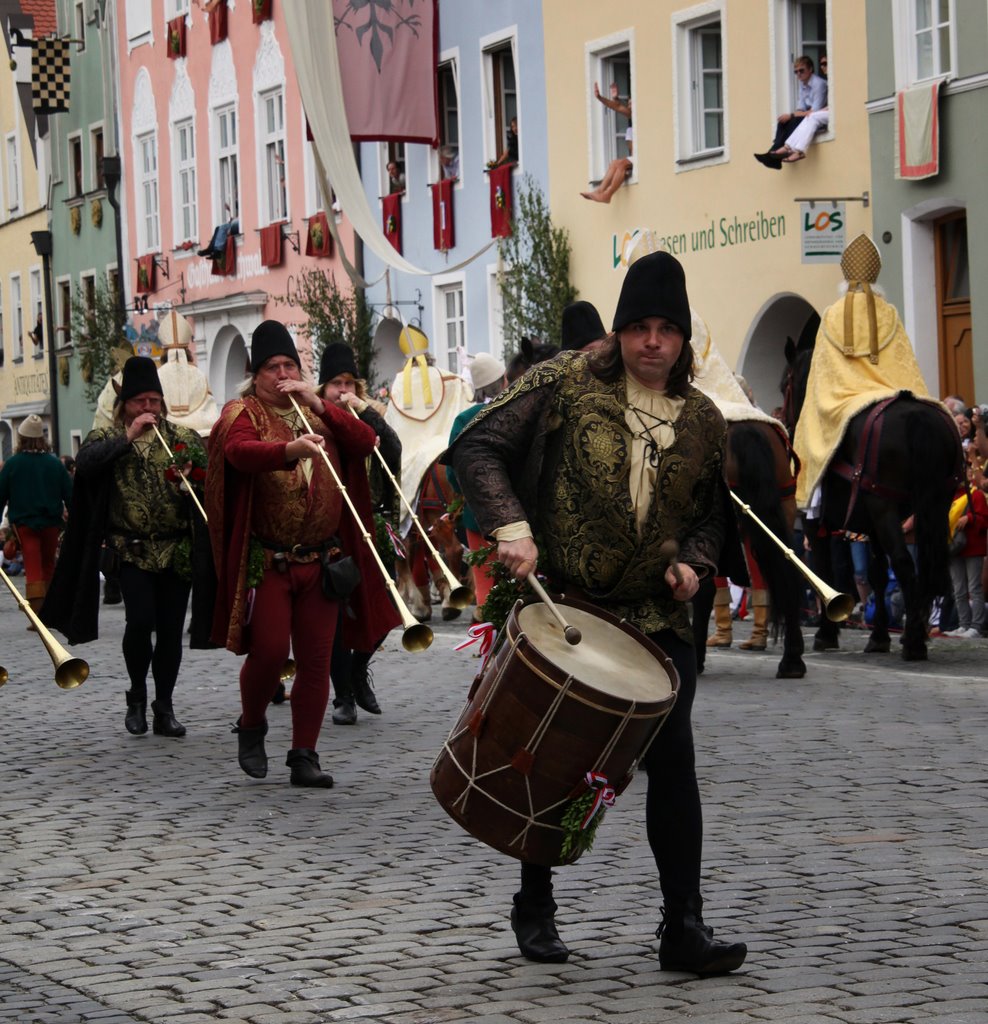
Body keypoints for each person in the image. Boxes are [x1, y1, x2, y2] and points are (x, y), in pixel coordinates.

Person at [446, 251, 748, 975]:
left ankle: (684, 926)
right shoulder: (564, 384)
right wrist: (511, 525)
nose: (652, 342)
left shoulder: (706, 420)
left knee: (674, 762)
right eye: (639, 327)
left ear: (683, 338)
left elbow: (711, 518)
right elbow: (477, 445)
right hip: (564, 604)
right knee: (551, 754)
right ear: (619, 331)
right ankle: (536, 902)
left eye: (666, 329)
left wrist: (693, 566)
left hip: (655, 619)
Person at [205, 320, 400, 787]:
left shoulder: (317, 413)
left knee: (316, 660)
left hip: (323, 560)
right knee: (270, 652)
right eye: (272, 367)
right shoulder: (243, 411)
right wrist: (288, 450)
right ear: (256, 374)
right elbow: (238, 453)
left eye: (290, 365)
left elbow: (367, 443)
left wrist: (320, 404)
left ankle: (304, 755)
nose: (282, 374)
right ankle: (252, 723)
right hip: (271, 559)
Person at [42, 357, 210, 737]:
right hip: (131, 550)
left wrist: (193, 480)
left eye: (154, 401)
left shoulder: (182, 439)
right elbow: (85, 466)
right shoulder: (107, 438)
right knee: (140, 622)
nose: (148, 408)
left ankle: (163, 705)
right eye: (140, 402)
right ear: (125, 405)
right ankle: (136, 694)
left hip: (175, 549)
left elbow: (206, 482)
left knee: (170, 629)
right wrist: (129, 435)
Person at [316, 341, 402, 726]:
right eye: (335, 383)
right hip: (335, 532)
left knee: (388, 607)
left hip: (372, 527)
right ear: (322, 389)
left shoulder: (371, 417)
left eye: (349, 383)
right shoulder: (314, 420)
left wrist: (365, 411)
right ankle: (343, 695)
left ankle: (357, 669)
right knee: (335, 617)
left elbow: (395, 451)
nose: (343, 391)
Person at [446, 352, 508, 619]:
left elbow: (452, 474)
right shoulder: (515, 409)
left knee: (485, 590)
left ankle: (488, 652)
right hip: (521, 514)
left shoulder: (463, 419)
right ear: (504, 381)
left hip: (478, 517)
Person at [0, 415, 72, 623]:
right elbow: (69, 494)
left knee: (32, 566)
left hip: (24, 524)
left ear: (21, 438)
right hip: (51, 522)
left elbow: (1, 494)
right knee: (49, 564)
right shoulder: (55, 464)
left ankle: (37, 615)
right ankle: (50, 611)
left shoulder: (13, 464)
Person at [754, 56, 828, 169]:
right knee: (783, 122)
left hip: (818, 117)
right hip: (810, 115)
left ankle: (774, 155)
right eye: (796, 72)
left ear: (810, 69)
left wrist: (792, 116)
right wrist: (791, 116)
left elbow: (814, 111)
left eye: (801, 70)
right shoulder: (803, 85)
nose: (798, 74)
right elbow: (800, 108)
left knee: (792, 119)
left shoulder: (819, 84)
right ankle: (774, 152)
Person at [582, 82, 633, 203]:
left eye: (632, 104)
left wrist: (616, 102)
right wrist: (600, 98)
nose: (629, 106)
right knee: (614, 163)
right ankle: (600, 191)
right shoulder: (631, 129)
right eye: (629, 104)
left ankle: (608, 194)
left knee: (620, 164)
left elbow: (617, 107)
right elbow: (616, 107)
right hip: (636, 158)